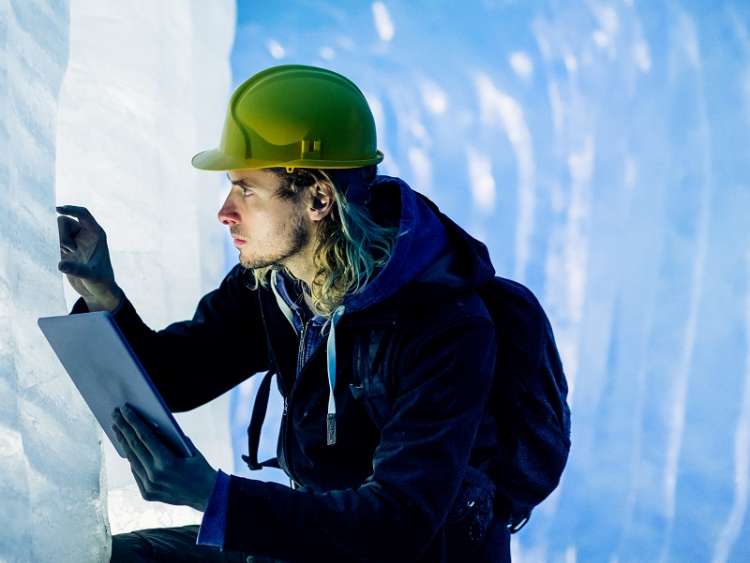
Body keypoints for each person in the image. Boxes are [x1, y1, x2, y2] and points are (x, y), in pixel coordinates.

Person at [57, 65, 511, 562]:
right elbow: (177, 377)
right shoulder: (280, 282)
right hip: (309, 546)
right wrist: (101, 291)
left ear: (318, 197)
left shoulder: (446, 328)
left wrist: (214, 496)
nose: (226, 211)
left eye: (247, 189)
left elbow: (397, 523)